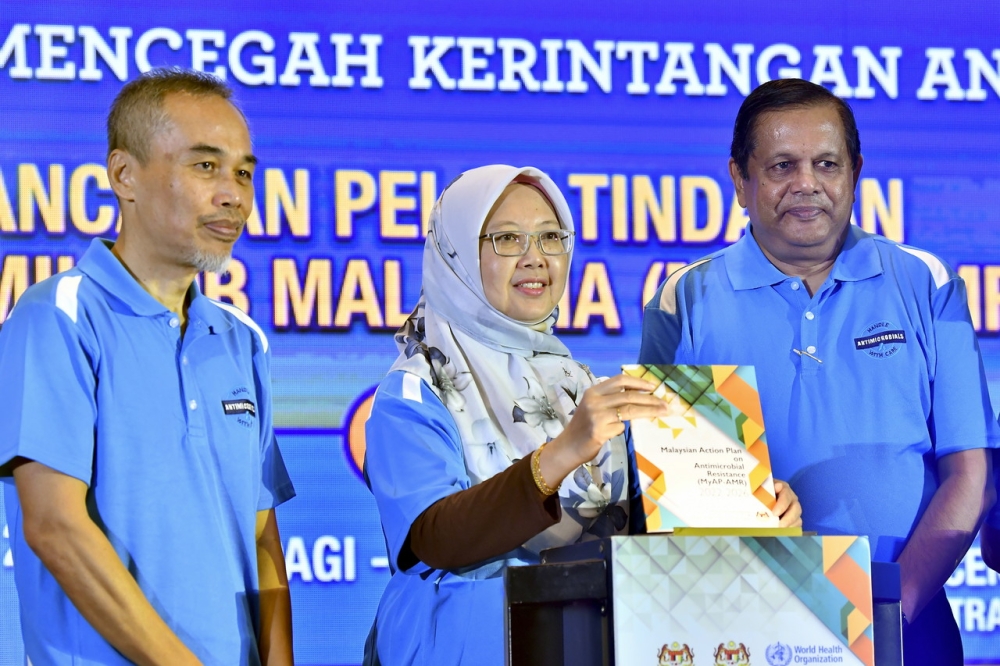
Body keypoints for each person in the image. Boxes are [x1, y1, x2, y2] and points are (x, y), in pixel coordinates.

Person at [363, 164, 802, 666]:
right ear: (457, 253)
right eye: (507, 238)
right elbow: (433, 538)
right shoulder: (415, 390)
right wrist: (563, 451)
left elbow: (645, 538)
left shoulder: (584, 388)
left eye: (551, 237)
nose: (535, 258)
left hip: (584, 646)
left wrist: (750, 510)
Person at [639, 79, 997, 664]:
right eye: (782, 165)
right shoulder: (687, 300)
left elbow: (972, 475)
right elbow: (669, 494)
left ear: (855, 172)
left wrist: (887, 612)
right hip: (738, 630)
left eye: (826, 163)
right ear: (739, 180)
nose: (806, 184)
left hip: (910, 625)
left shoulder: (926, 283)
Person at [0, 69, 295, 665]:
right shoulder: (56, 317)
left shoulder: (241, 341)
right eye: (205, 166)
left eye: (244, 172)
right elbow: (55, 526)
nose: (233, 194)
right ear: (123, 175)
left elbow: (261, 532)